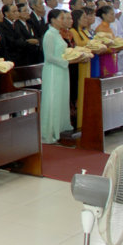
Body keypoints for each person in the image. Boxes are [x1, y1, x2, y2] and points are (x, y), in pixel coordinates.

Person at [41, 9, 75, 144]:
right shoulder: (49, 35)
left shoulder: (57, 34)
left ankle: (60, 127)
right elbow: (49, 57)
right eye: (61, 18)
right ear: (53, 20)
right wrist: (66, 61)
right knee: (53, 99)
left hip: (61, 70)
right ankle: (50, 131)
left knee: (61, 98)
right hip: (53, 71)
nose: (63, 20)